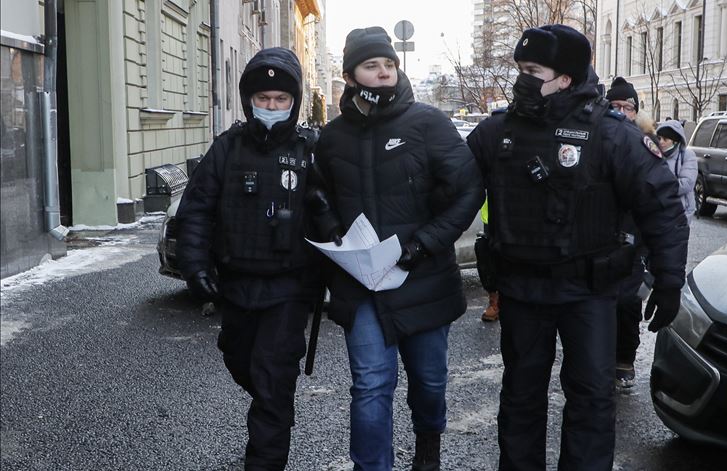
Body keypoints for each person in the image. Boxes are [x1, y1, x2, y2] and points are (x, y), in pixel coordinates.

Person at [466, 25, 689, 470]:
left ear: (565, 78)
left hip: (589, 291)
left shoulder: (613, 135)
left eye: (533, 71)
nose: (521, 80)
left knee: (589, 397)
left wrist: (668, 281)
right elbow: (450, 190)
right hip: (523, 288)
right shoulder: (498, 132)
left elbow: (662, 208)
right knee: (520, 397)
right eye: (520, 70)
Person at [314, 27, 484, 471]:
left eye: (389, 65)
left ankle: (428, 448)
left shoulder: (428, 123)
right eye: (372, 66)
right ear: (351, 77)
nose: (384, 73)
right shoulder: (332, 138)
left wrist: (423, 244)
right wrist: (333, 229)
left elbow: (468, 190)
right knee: (370, 383)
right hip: (362, 282)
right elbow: (318, 197)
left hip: (421, 275)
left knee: (428, 381)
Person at [176, 47, 340, 470]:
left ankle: (265, 453)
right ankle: (273, 402)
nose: (271, 107)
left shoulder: (310, 150)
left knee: (272, 377)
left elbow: (338, 219)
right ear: (250, 100)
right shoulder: (226, 148)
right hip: (237, 281)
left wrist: (323, 210)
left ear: (294, 102)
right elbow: (196, 209)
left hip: (289, 287)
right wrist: (195, 266)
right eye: (263, 99)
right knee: (239, 359)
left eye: (281, 100)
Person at [605, 76, 654, 388]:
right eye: (616, 105)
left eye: (629, 107)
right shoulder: (599, 138)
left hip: (634, 239)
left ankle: (625, 358)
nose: (623, 111)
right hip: (600, 238)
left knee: (628, 305)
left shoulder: (647, 144)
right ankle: (600, 359)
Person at [657, 120, 698, 221]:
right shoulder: (656, 155)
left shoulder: (687, 155)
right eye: (659, 138)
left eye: (665, 139)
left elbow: (687, 183)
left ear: (675, 141)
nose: (661, 142)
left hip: (681, 211)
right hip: (659, 210)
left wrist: (660, 187)